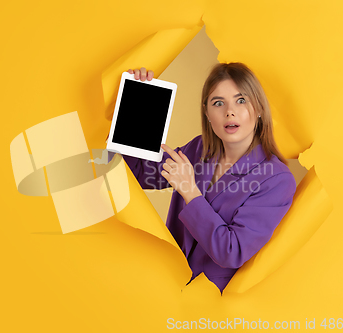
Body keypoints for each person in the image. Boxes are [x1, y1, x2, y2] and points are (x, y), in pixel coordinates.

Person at [120, 63, 296, 294]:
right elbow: (140, 173)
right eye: (218, 103)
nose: (229, 111)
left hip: (212, 304)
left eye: (241, 100)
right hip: (164, 284)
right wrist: (138, 102)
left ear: (259, 108)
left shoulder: (277, 180)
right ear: (207, 114)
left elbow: (231, 251)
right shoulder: (199, 149)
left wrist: (190, 191)